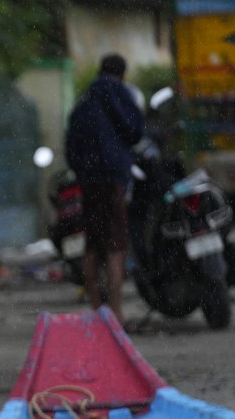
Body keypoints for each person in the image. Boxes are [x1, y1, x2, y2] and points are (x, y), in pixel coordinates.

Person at [65, 53, 144, 325]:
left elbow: (71, 144)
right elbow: (135, 130)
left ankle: (96, 308)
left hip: (89, 182)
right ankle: (117, 313)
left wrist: (83, 170)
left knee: (92, 245)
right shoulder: (120, 95)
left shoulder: (84, 101)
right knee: (115, 246)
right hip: (112, 180)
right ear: (122, 73)